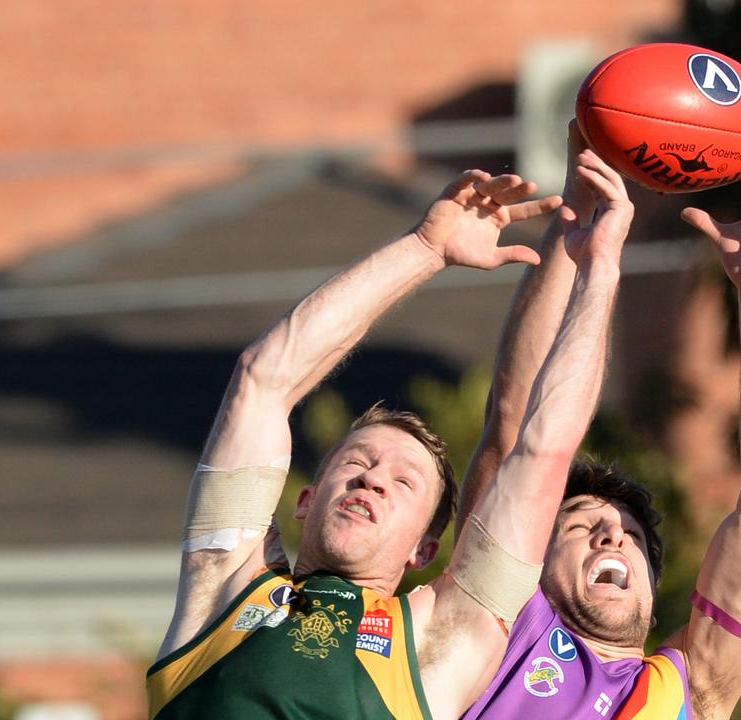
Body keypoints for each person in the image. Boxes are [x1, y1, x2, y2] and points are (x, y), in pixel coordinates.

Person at [146, 153, 636, 720]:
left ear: (425, 551)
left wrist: (601, 271)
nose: (374, 478)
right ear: (306, 500)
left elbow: (542, 447)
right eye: (356, 462)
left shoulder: (438, 641)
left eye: (405, 481)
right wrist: (424, 250)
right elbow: (263, 379)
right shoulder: (226, 587)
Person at [459, 126, 741, 719]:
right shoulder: (492, 633)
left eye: (634, 538)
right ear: (529, 560)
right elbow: (515, 430)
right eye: (577, 527)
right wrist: (578, 228)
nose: (613, 535)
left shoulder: (691, 692)